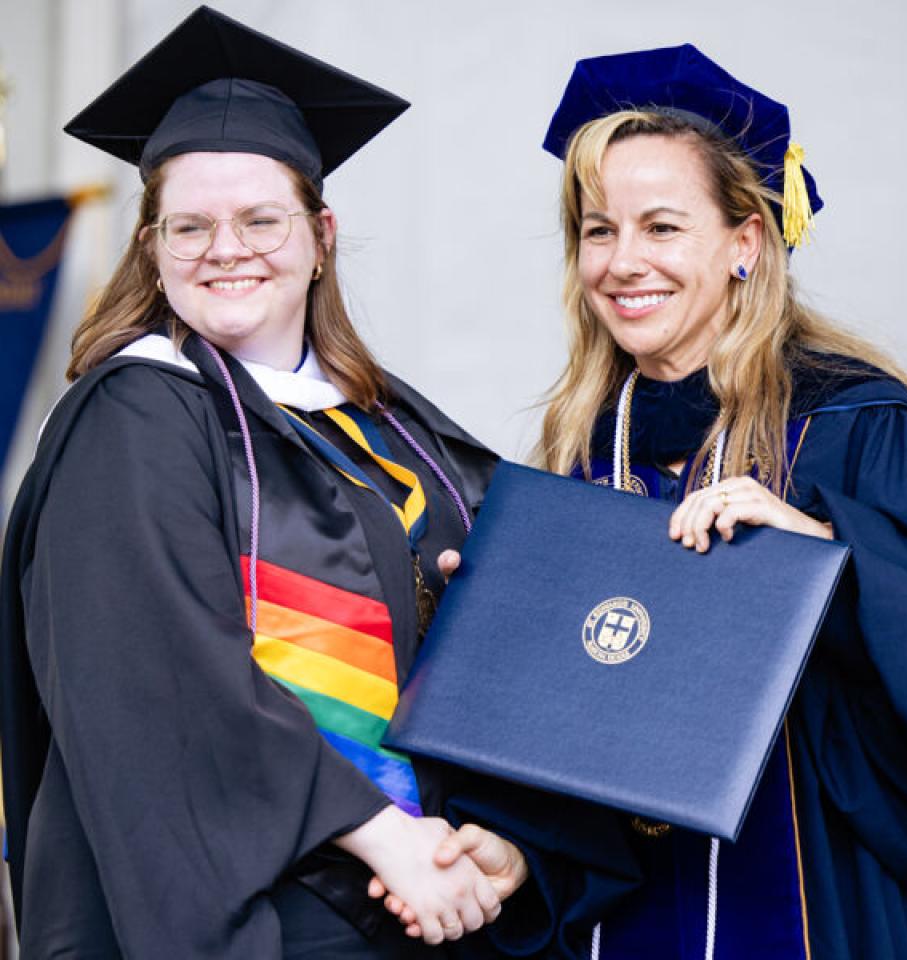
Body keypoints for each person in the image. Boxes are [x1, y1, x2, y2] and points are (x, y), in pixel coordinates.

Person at [0, 7, 562, 958]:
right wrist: (386, 836)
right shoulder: (135, 416)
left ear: (321, 234)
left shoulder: (396, 429)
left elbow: (514, 624)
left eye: (261, 219)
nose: (227, 249)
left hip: (417, 905)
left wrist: (499, 842)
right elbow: (162, 686)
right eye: (190, 226)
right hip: (268, 920)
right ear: (151, 247)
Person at [525, 43, 907, 959]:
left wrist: (833, 558)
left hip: (828, 899)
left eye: (662, 227)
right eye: (598, 230)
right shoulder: (579, 448)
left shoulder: (860, 424)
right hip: (630, 904)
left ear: (746, 243)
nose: (623, 262)